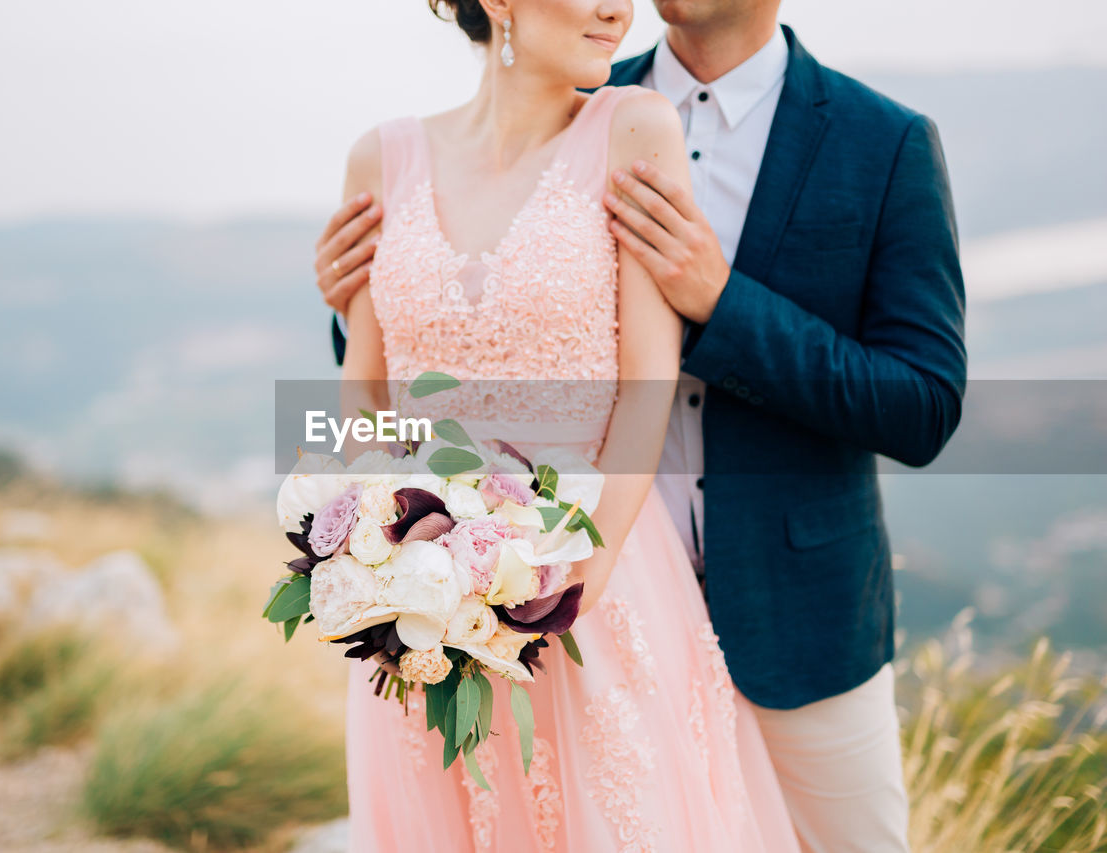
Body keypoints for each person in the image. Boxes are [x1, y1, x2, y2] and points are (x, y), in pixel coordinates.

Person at [317, 1, 968, 850]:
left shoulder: (879, 142)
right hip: (541, 597)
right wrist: (348, 303)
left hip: (788, 619)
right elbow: (430, 339)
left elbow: (922, 403)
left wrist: (724, 304)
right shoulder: (583, 98)